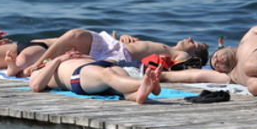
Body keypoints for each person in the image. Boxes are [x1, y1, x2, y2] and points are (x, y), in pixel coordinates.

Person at [16, 29, 209, 77]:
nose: (190, 39)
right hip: (116, 47)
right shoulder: (167, 46)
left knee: (75, 35)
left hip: (119, 56)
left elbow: (180, 68)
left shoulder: (182, 55)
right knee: (69, 40)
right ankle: (36, 63)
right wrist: (126, 37)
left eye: (195, 44)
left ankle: (37, 65)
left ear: (195, 56)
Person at [27, 49, 163, 104]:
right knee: (108, 75)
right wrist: (57, 60)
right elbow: (36, 86)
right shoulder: (40, 71)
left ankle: (138, 94)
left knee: (117, 81)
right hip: (78, 74)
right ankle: (145, 84)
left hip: (100, 64)